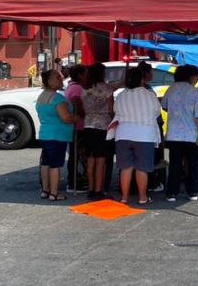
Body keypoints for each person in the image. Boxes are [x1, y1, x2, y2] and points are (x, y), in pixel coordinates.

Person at [108, 67, 161, 205]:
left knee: (125, 168)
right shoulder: (150, 95)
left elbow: (115, 111)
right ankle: (142, 197)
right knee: (141, 168)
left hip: (123, 134)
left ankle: (124, 197)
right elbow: (156, 112)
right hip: (144, 134)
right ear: (142, 79)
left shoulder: (121, 95)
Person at [161, 65, 198, 202]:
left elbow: (164, 106)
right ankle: (192, 191)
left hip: (174, 135)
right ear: (191, 76)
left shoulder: (171, 89)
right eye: (196, 76)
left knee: (175, 164)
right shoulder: (195, 92)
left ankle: (171, 193)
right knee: (192, 164)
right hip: (191, 135)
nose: (197, 78)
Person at [35, 69, 79, 201]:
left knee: (46, 163)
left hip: (45, 133)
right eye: (57, 78)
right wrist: (75, 118)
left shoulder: (42, 96)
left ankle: (45, 190)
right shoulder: (58, 98)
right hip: (58, 135)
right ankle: (54, 193)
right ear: (49, 81)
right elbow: (65, 117)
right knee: (56, 165)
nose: (61, 79)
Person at [80, 63, 114, 200]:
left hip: (88, 125)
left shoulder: (84, 90)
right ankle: (99, 190)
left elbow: (83, 108)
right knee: (101, 160)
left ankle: (91, 189)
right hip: (102, 127)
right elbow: (112, 110)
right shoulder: (106, 89)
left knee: (90, 159)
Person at [139, 61, 167, 193]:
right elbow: (154, 109)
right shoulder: (145, 89)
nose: (152, 74)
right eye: (151, 72)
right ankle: (152, 183)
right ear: (146, 73)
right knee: (153, 156)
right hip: (151, 126)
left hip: (143, 127)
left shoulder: (141, 88)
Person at [64, 64, 87, 191]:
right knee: (77, 156)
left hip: (75, 127)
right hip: (79, 127)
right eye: (85, 73)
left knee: (75, 155)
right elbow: (78, 106)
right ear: (79, 75)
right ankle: (73, 182)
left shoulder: (71, 86)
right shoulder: (78, 89)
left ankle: (74, 180)